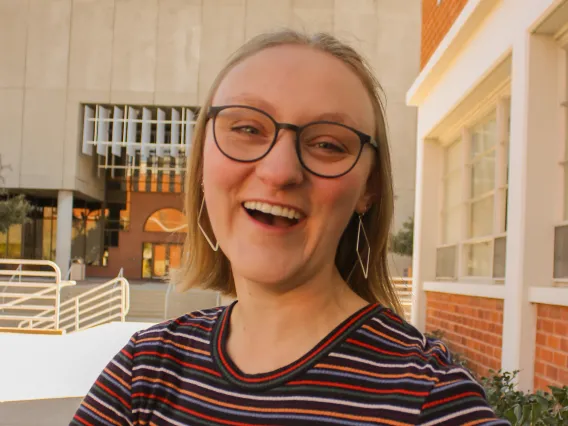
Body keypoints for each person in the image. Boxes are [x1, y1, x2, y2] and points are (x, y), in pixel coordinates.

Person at [71, 30, 509, 426]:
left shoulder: (428, 398)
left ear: (368, 190)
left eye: (327, 144)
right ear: (203, 160)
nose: (280, 171)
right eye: (246, 128)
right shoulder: (145, 371)